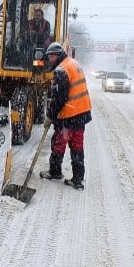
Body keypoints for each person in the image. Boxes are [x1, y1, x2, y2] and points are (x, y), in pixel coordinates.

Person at [39, 42, 93, 191]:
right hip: (81, 114)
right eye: (48, 56)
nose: (49, 59)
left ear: (57, 56)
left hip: (69, 117)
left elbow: (59, 99)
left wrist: (50, 116)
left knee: (58, 145)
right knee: (77, 147)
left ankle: (55, 172)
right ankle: (78, 179)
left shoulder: (62, 70)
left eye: (51, 56)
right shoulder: (73, 63)